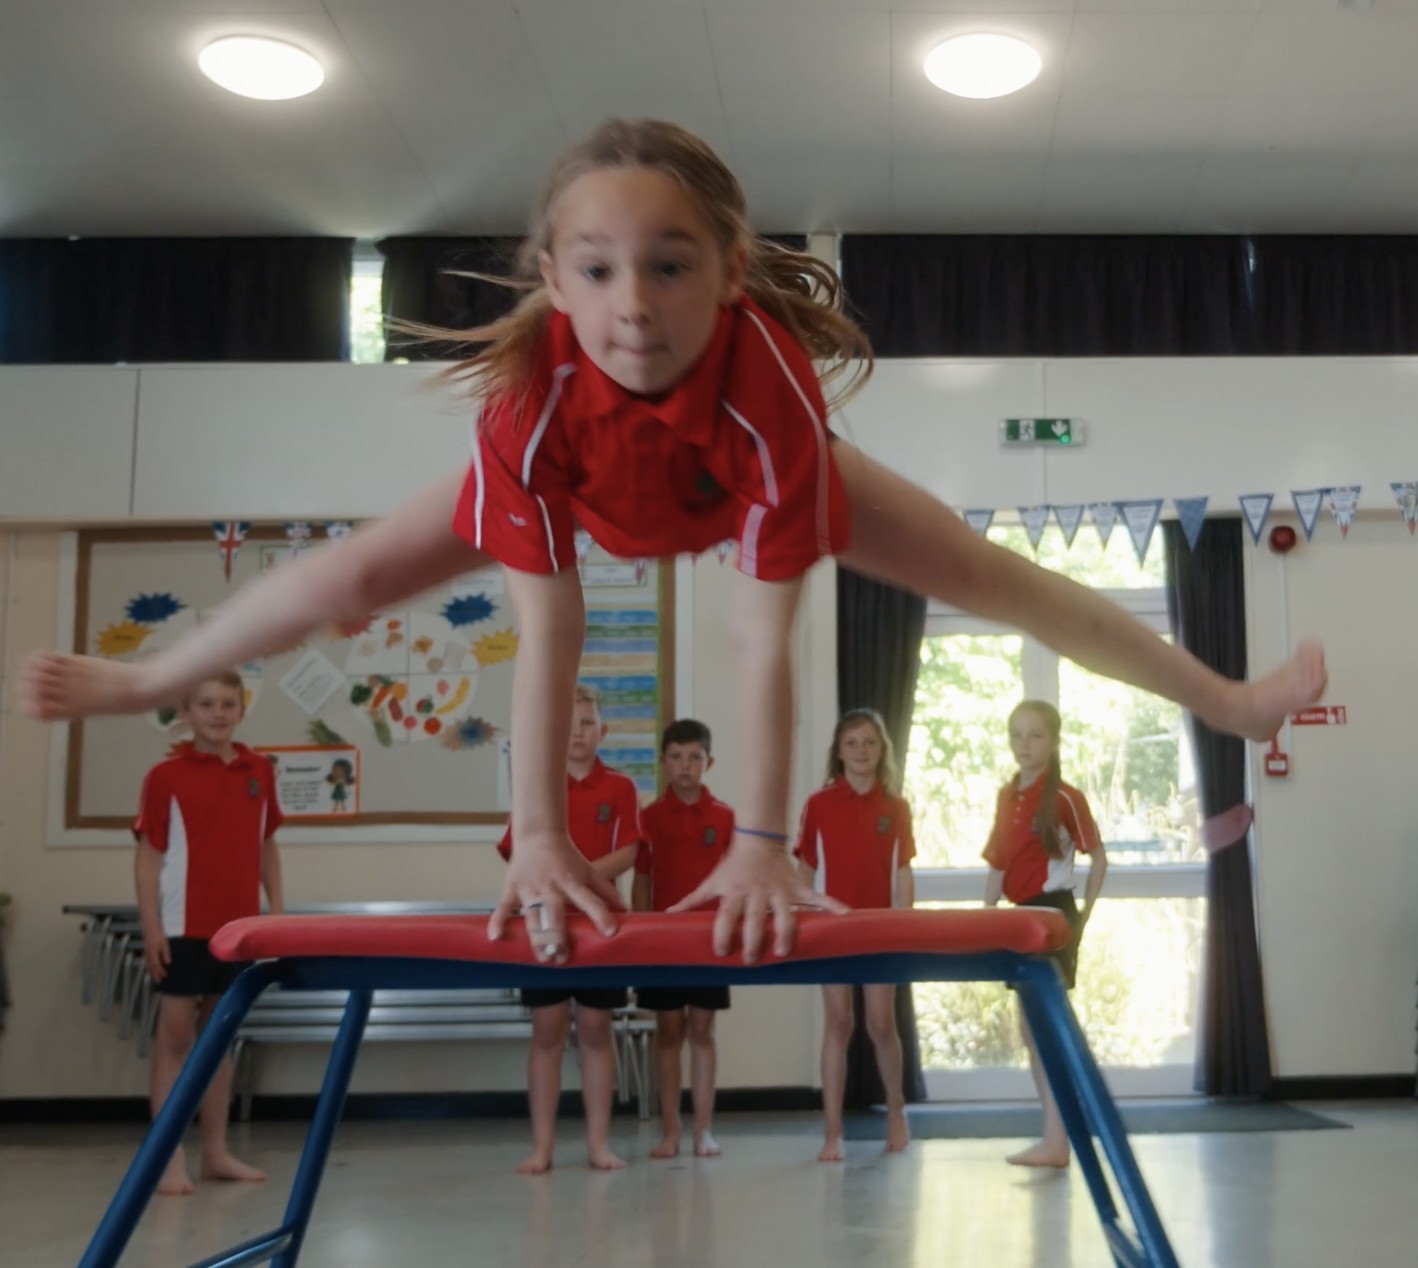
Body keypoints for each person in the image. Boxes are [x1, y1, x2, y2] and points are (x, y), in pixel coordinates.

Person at [23, 118, 1327, 970]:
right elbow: (551, 630)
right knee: (350, 571)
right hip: (588, 484)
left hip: (734, 479)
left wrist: (760, 838)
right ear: (550, 276)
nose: (632, 306)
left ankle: (1225, 697)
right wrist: (536, 834)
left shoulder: (770, 394)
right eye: (595, 270)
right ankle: (151, 676)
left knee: (999, 578)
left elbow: (760, 639)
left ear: (730, 267)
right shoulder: (529, 399)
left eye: (668, 266)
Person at [132, 671, 285, 1195]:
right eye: (205, 704)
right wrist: (152, 927)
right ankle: (167, 1158)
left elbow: (266, 845)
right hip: (183, 928)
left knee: (219, 1039)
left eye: (227, 703)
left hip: (238, 930)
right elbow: (149, 858)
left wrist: (276, 911)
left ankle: (216, 1153)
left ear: (241, 710)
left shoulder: (259, 771)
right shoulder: (165, 776)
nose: (217, 713)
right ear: (186, 713)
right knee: (175, 1038)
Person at [498, 683, 641, 1173]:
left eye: (587, 723)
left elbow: (629, 851)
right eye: (569, 724)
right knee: (547, 1031)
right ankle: (543, 1146)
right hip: (545, 925)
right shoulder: (536, 789)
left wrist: (576, 879)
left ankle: (599, 1143)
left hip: (601, 927)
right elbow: (517, 852)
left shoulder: (621, 788)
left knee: (598, 1030)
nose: (578, 733)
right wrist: (553, 885)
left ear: (603, 730)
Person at [983, 700, 1107, 1170]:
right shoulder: (1007, 795)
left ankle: (1059, 1137)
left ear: (1053, 742)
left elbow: (1098, 858)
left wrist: (1083, 916)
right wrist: (985, 918)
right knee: (1029, 1031)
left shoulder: (1066, 797)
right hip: (1017, 917)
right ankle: (1053, 1136)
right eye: (1016, 734)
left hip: (1051, 914)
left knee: (1047, 1028)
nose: (1024, 744)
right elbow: (998, 864)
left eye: (1035, 735)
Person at [795, 709, 915, 1162]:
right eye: (852, 743)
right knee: (838, 1021)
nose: (861, 751)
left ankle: (897, 1112)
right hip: (832, 931)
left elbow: (903, 869)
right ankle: (832, 1131)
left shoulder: (896, 807)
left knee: (881, 1023)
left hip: (881, 930)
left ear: (882, 750)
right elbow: (804, 871)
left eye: (870, 742)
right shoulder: (818, 805)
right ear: (839, 752)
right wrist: (804, 921)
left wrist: (906, 923)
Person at [631, 718, 735, 1159]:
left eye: (695, 757)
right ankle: (671, 1130)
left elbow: (735, 881)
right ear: (664, 763)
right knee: (668, 1030)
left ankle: (703, 1129)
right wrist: (641, 934)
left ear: (709, 762)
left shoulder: (726, 817)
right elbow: (642, 880)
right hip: (662, 943)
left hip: (710, 941)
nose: (686, 766)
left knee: (702, 1029)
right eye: (677, 757)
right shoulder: (649, 818)